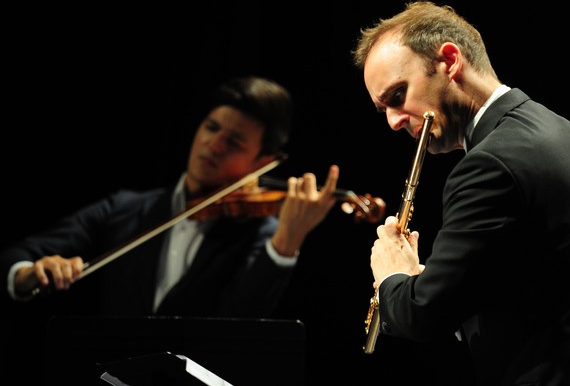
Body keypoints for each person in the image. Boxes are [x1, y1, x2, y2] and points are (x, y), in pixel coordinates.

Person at [352, 0, 570, 385]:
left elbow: (421, 315)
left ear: (450, 61)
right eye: (383, 108)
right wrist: (446, 284)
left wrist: (392, 275)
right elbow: (542, 286)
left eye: (397, 96)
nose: (392, 121)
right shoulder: (567, 135)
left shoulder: (489, 165)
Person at [0, 75, 338, 321]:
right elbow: (15, 256)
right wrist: (29, 274)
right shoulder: (126, 207)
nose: (213, 145)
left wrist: (288, 242)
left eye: (234, 142)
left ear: (263, 163)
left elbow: (240, 322)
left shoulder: (264, 236)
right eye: (211, 128)